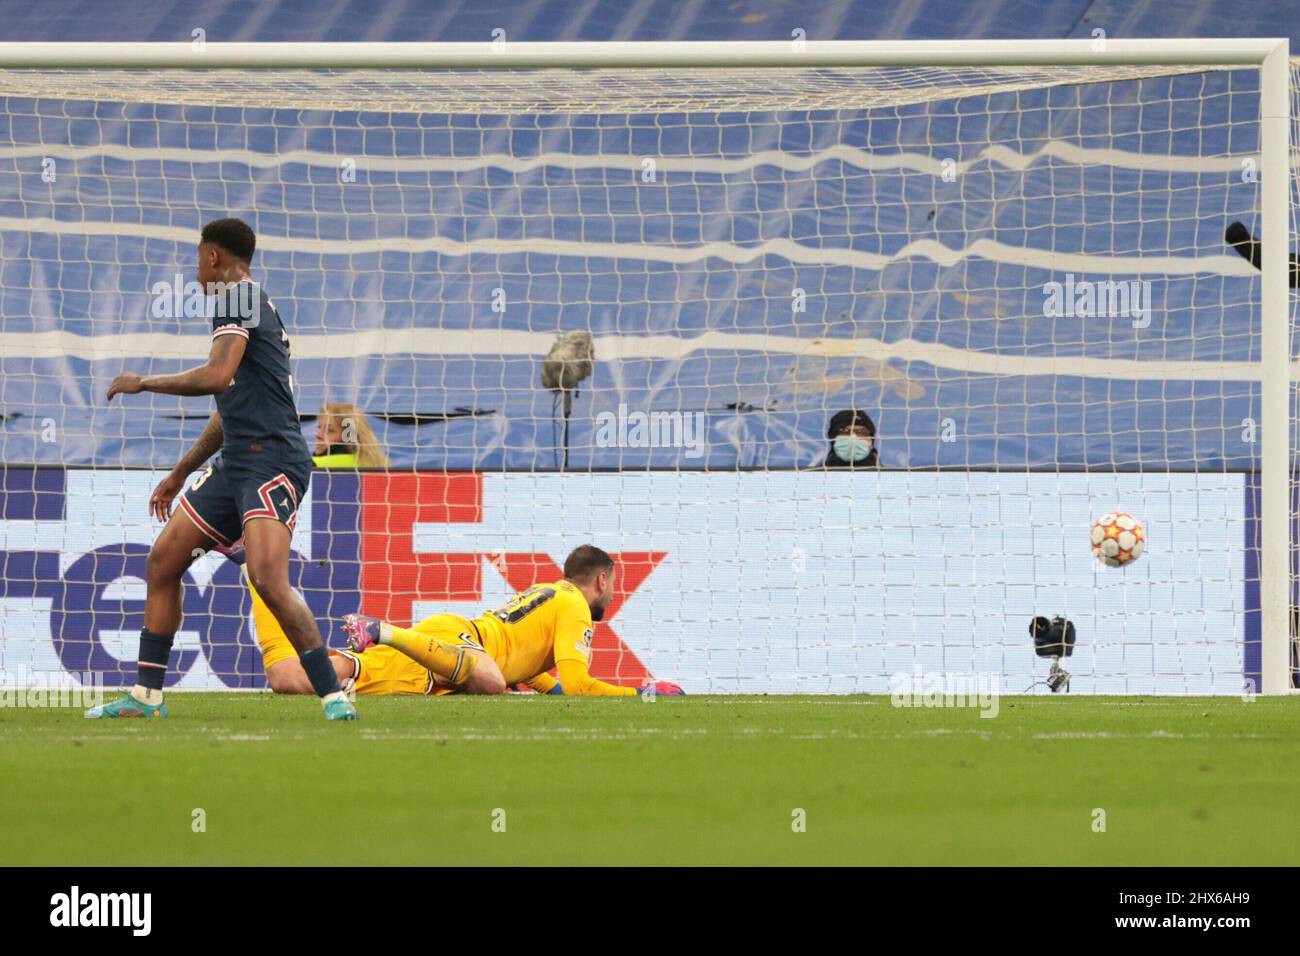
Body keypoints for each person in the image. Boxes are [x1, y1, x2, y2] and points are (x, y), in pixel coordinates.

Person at [88, 218, 357, 720]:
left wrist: (143, 382)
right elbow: (226, 402)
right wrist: (181, 472)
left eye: (197, 258)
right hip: (237, 461)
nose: (195, 271)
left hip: (273, 460)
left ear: (213, 256)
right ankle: (147, 697)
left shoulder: (236, 297)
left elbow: (216, 375)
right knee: (163, 562)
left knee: (269, 579)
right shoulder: (252, 302)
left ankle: (333, 696)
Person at [259, 544, 684, 698]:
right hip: (458, 646)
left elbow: (523, 657)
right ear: (602, 579)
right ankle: (384, 630)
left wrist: (549, 691)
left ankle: (257, 575)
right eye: (613, 586)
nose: (612, 595)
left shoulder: (550, 591)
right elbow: (579, 686)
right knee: (491, 681)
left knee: (291, 679)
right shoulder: (575, 606)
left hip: (444, 647)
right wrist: (641, 694)